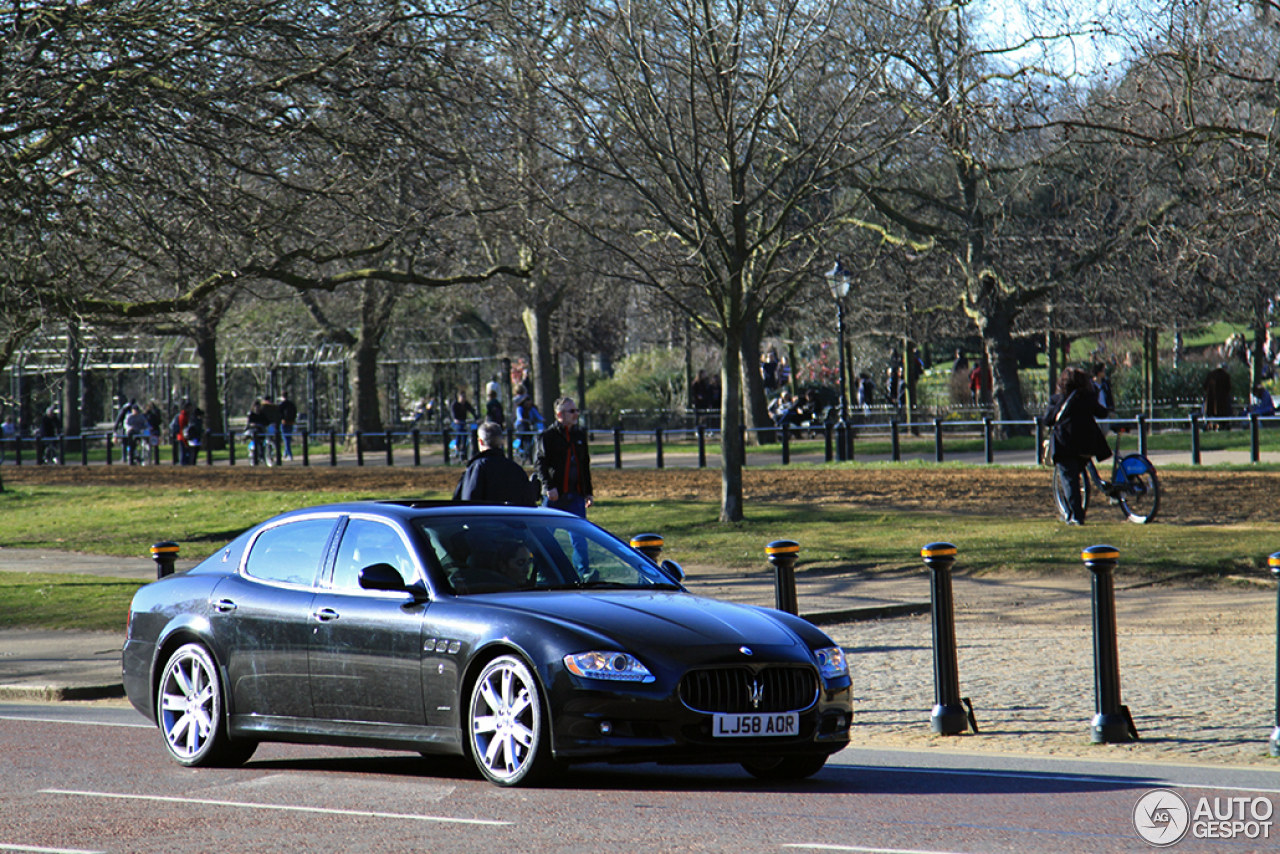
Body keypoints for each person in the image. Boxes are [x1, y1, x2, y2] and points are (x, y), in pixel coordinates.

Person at [1044, 367, 1112, 526]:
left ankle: (1076, 514)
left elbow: (1047, 420)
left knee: (1069, 479)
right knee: (1078, 470)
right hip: (1086, 444)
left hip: (1065, 444)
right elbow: (1102, 413)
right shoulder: (1086, 398)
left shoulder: (1057, 399)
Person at [453, 422, 538, 506]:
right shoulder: (516, 470)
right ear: (501, 441)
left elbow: (468, 502)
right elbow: (528, 502)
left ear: (480, 441)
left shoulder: (477, 468)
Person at [535, 397, 593, 517]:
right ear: (560, 414)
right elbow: (540, 464)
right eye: (571, 411)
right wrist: (549, 487)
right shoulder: (548, 436)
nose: (576, 414)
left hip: (576, 494)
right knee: (546, 533)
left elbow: (584, 464)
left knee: (578, 534)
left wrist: (588, 492)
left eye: (577, 410)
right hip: (554, 495)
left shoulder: (579, 436)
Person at [1203, 363, 1233, 430]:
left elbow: (1205, 386)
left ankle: (1208, 425)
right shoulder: (1226, 376)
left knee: (1210, 412)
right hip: (1222, 400)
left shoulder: (1210, 375)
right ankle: (1222, 426)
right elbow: (1228, 388)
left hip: (1211, 399)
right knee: (1222, 413)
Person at [450, 390, 477, 455]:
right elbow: (453, 415)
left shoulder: (466, 404)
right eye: (463, 397)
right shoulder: (454, 404)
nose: (464, 398)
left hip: (463, 422)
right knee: (460, 429)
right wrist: (455, 419)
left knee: (465, 431)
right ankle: (457, 445)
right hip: (455, 423)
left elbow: (472, 411)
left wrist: (477, 418)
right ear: (459, 397)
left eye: (465, 397)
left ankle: (464, 448)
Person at [279, 392, 298, 460]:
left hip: (284, 423)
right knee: (288, 439)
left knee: (285, 439)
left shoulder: (281, 404)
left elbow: (279, 414)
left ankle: (290, 455)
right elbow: (295, 412)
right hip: (291, 423)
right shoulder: (291, 404)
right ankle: (285, 454)